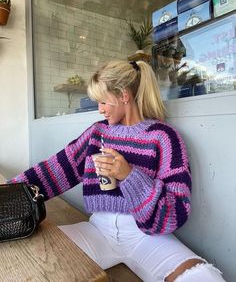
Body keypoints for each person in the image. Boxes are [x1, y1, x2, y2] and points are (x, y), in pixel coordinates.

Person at [8, 60, 225, 282]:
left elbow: (177, 208)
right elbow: (57, 169)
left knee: (205, 277)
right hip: (98, 230)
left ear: (123, 95)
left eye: (103, 101)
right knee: (26, 251)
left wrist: (129, 175)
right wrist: (9, 192)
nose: (99, 109)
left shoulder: (164, 138)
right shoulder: (98, 132)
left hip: (147, 236)